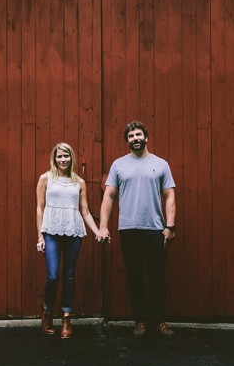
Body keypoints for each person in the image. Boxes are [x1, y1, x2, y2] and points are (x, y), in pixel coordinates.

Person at [99, 121, 177, 337]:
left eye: (138, 134)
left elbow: (170, 196)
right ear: (127, 141)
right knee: (135, 277)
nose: (135, 138)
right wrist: (103, 226)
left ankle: (159, 321)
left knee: (157, 277)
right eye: (131, 136)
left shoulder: (161, 164)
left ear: (146, 138)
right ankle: (140, 321)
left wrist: (170, 226)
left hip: (155, 229)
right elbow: (109, 196)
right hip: (128, 229)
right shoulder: (119, 165)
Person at [36, 142, 104, 339]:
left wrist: (98, 231)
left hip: (73, 230)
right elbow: (40, 208)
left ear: (71, 158)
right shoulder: (46, 178)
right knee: (53, 276)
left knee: (69, 276)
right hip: (51, 230)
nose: (63, 159)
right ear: (54, 158)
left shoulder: (79, 182)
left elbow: (85, 211)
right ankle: (47, 312)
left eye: (66, 156)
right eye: (59, 156)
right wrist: (40, 236)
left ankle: (66, 318)